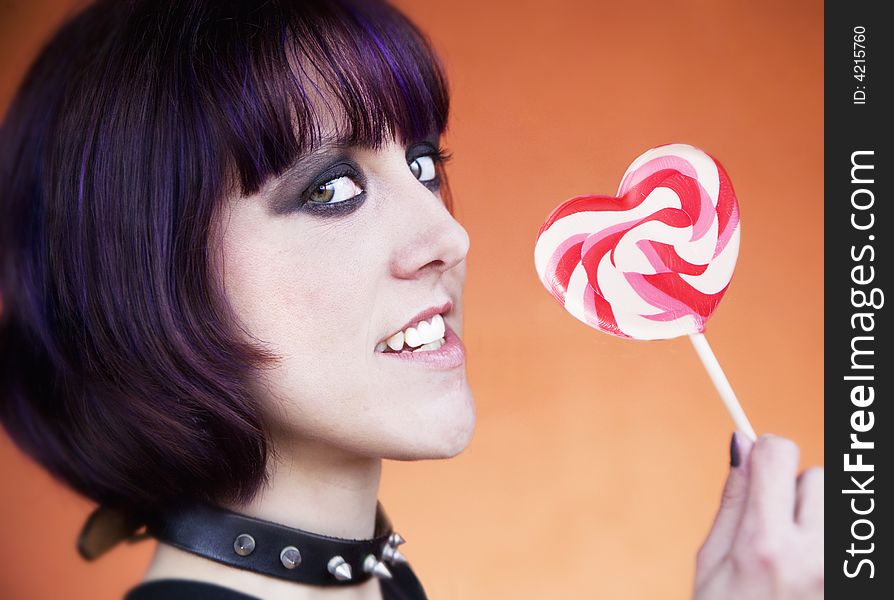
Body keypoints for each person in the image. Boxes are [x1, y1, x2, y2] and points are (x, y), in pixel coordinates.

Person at [0, 1, 823, 599]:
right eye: (330, 188)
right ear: (138, 280)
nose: (450, 236)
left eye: (423, 163)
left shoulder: (375, 583)